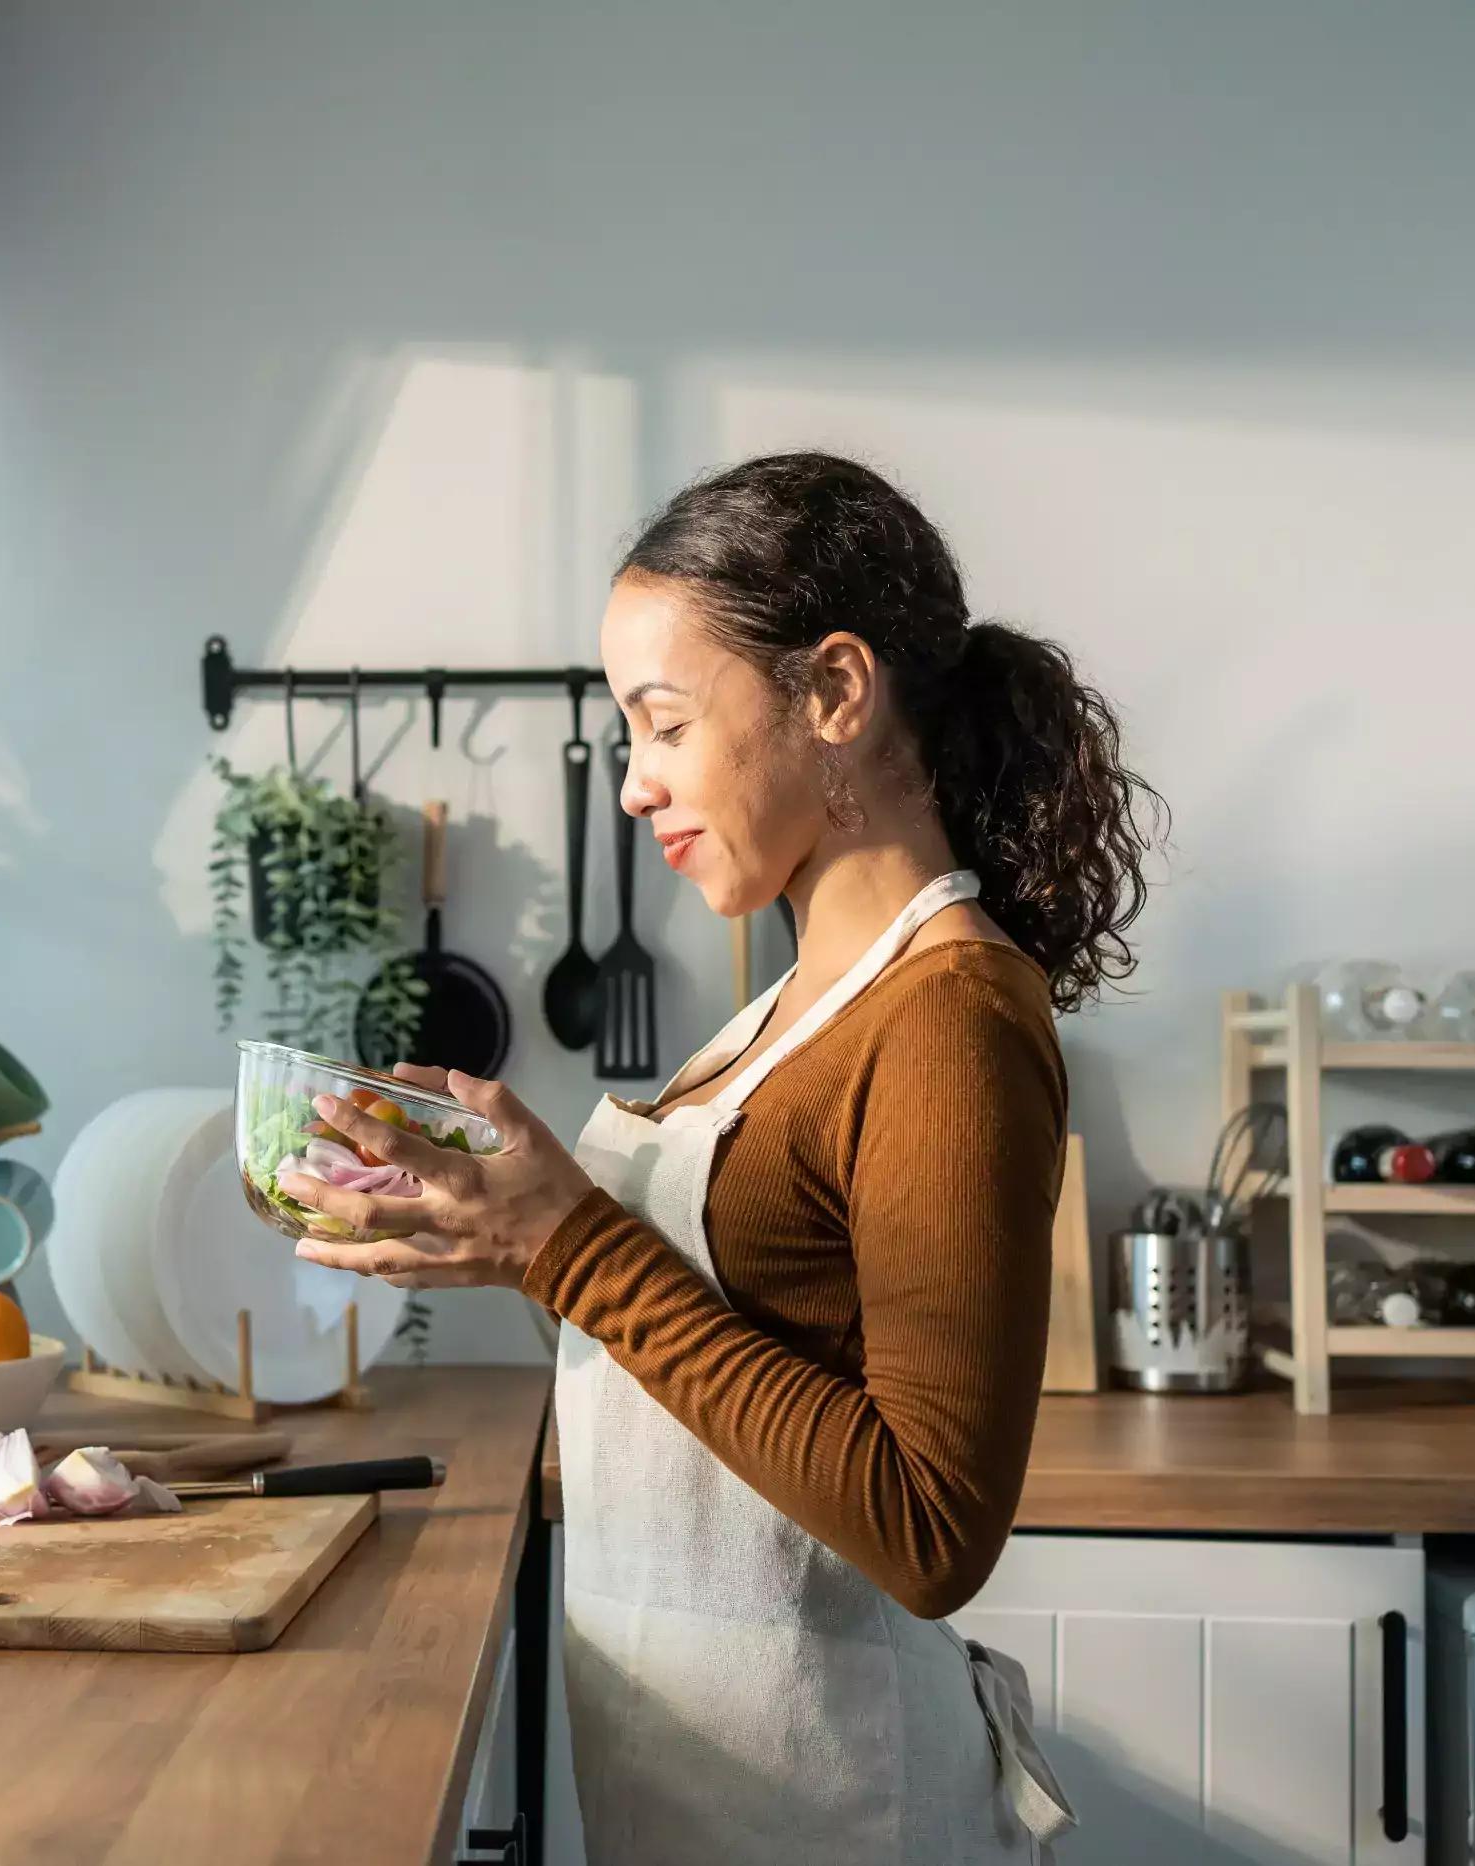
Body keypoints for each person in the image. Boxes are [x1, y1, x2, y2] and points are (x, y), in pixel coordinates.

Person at [279, 452, 1159, 1864]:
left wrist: (570, 1247)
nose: (636, 786)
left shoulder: (951, 1014)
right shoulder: (798, 999)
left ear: (834, 694)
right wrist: (494, 1225)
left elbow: (933, 1528)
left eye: (666, 725)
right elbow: (726, 1332)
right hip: (706, 1785)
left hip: (842, 1804)